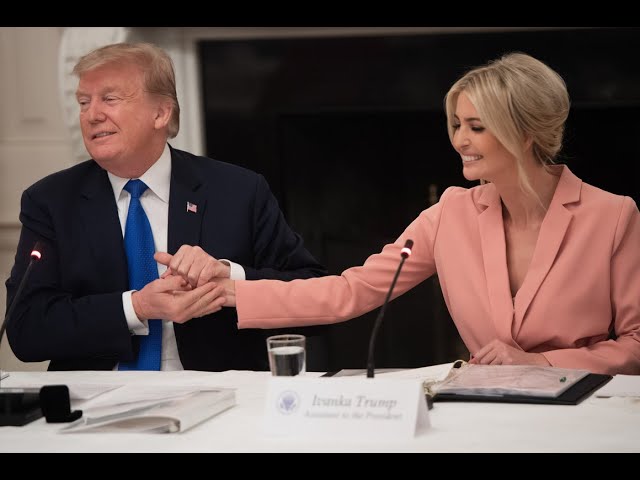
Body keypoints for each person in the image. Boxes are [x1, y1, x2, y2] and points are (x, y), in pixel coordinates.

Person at [159, 52, 640, 376]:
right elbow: (350, 291)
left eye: (476, 127)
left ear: (524, 133)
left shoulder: (613, 217)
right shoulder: (449, 214)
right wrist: (231, 290)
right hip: (486, 408)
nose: (460, 140)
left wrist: (545, 364)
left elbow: (636, 344)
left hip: (589, 406)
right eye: (457, 124)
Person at [5, 42, 327, 372]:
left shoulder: (238, 191)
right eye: (84, 102)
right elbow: (25, 329)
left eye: (110, 99)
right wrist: (136, 308)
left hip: (214, 390)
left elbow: (316, 300)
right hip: (95, 395)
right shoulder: (52, 201)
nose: (91, 115)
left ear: (160, 113)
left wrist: (231, 275)